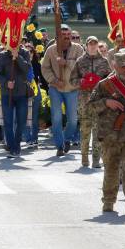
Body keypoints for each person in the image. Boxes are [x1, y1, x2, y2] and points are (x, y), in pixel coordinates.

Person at [88, 50, 125, 213]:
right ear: (114, 66)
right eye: (122, 66)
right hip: (109, 135)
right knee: (111, 170)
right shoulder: (105, 85)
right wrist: (106, 102)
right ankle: (108, 202)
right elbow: (90, 106)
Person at [41, 24, 85, 157]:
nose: (66, 37)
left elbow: (82, 68)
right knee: (56, 118)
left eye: (68, 35)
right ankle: (59, 145)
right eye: (63, 35)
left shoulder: (78, 49)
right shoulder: (51, 50)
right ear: (58, 36)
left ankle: (66, 139)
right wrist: (54, 80)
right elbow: (45, 68)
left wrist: (67, 63)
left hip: (72, 89)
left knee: (72, 119)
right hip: (56, 89)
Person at [71, 36, 111, 167]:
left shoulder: (104, 62)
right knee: (85, 130)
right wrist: (81, 82)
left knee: (98, 130)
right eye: (90, 44)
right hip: (84, 100)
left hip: (99, 101)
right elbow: (72, 80)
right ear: (86, 46)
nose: (93, 46)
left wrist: (101, 85)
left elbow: (110, 80)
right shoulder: (80, 61)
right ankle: (84, 157)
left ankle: (95, 159)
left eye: (95, 43)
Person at [0, 45, 31, 156]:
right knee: (8, 121)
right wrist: (6, 83)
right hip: (7, 93)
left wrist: (17, 56)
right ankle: (12, 146)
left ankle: (17, 143)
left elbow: (26, 69)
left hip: (21, 93)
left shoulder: (25, 53)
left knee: (21, 121)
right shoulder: (2, 55)